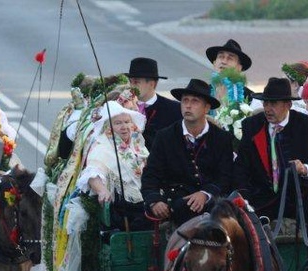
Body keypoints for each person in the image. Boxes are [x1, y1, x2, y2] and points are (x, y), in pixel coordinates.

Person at [233, 77, 308, 245]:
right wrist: (244, 197)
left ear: (288, 105)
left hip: (297, 198)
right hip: (262, 199)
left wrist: (305, 169)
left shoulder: (306, 125)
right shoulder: (252, 125)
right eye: (265, 104)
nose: (268, 109)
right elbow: (241, 167)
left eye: (274, 104)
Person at [141, 79, 234, 226]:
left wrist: (205, 194)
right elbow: (151, 174)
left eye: (195, 101)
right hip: (176, 203)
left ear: (207, 108)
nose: (188, 106)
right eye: (185, 101)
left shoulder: (222, 138)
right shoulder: (165, 136)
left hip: (212, 204)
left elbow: (226, 175)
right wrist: (155, 200)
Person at [77, 101, 150, 230]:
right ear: (108, 127)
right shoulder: (103, 147)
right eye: (118, 123)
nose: (124, 127)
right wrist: (102, 190)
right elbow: (93, 172)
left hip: (145, 196)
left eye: (127, 122)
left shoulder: (137, 143)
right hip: (122, 206)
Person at [124, 57, 181, 149]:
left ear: (152, 84)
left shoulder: (174, 109)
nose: (132, 86)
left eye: (136, 82)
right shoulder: (122, 106)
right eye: (130, 82)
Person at [206, 39, 256, 103]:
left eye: (230, 58)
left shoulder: (251, 98)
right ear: (214, 63)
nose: (224, 62)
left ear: (239, 67)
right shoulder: (203, 93)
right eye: (221, 56)